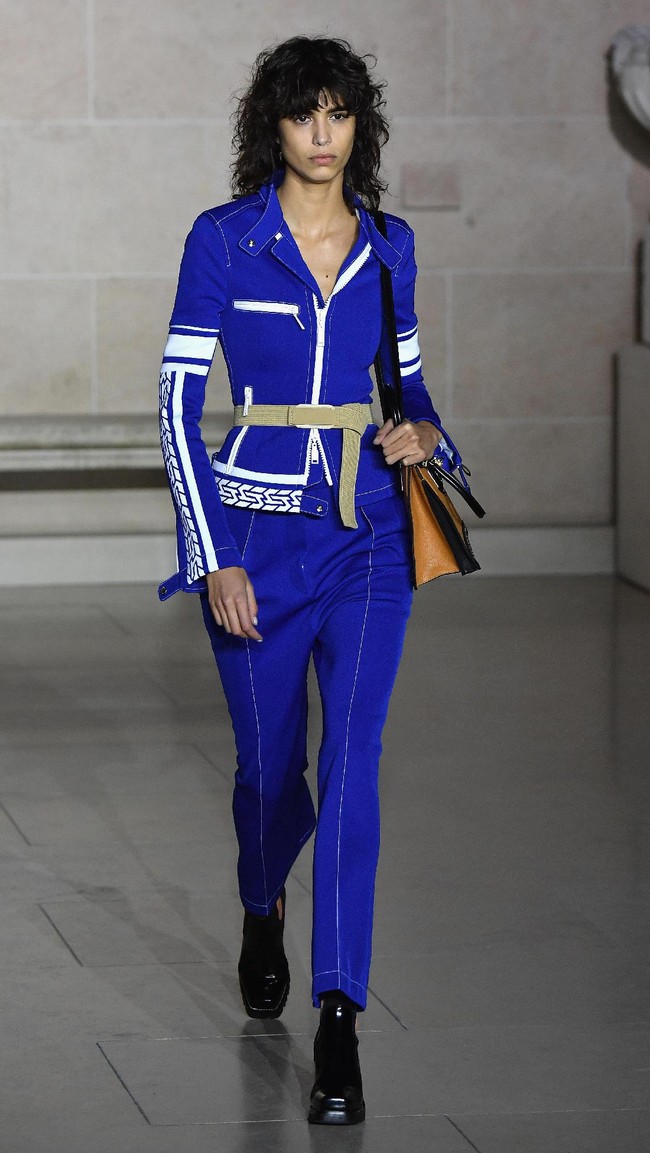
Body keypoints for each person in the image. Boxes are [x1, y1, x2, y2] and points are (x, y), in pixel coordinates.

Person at [158, 35, 463, 1125]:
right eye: (303, 115)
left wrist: (426, 433)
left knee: (353, 761)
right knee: (265, 773)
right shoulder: (224, 240)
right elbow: (175, 405)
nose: (322, 134)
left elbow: (412, 390)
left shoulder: (390, 245)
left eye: (339, 114)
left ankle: (339, 1014)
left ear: (359, 126)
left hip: (368, 538)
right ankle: (259, 901)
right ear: (273, 127)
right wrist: (214, 556)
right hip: (253, 537)